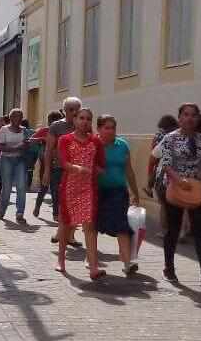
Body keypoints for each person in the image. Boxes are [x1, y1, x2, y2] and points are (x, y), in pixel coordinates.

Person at [155, 102, 201, 287]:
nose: (190, 118)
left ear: (198, 118)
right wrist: (178, 180)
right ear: (179, 118)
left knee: (200, 229)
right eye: (186, 114)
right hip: (174, 186)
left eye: (193, 115)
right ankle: (169, 268)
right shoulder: (170, 138)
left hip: (196, 187)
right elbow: (166, 164)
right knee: (173, 229)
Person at [55, 107, 106, 279]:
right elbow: (63, 162)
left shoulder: (95, 142)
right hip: (69, 188)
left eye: (88, 119)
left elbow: (100, 163)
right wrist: (78, 168)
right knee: (66, 224)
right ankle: (61, 258)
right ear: (75, 120)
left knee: (90, 226)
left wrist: (98, 170)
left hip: (88, 189)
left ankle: (93, 267)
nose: (85, 122)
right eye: (81, 118)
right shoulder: (65, 139)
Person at [96, 114, 141, 276]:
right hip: (98, 191)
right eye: (106, 127)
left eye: (113, 127)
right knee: (95, 225)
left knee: (122, 225)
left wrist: (135, 192)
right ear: (99, 129)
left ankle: (128, 263)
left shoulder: (122, 145)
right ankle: (92, 258)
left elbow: (129, 170)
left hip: (118, 192)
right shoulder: (94, 144)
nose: (110, 131)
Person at [42, 97, 83, 248]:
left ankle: (70, 235)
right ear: (65, 110)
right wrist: (46, 170)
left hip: (78, 170)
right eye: (71, 109)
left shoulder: (83, 124)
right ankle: (61, 232)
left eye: (76, 109)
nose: (74, 112)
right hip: (59, 168)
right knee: (62, 202)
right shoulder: (56, 126)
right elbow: (48, 150)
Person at [0, 109, 31, 224]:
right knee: (7, 187)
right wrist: (17, 147)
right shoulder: (4, 129)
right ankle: (2, 210)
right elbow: (0, 147)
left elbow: (27, 146)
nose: (18, 119)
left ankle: (20, 213)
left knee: (21, 186)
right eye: (15, 116)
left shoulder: (24, 130)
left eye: (20, 117)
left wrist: (27, 144)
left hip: (20, 160)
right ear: (10, 118)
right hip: (6, 160)